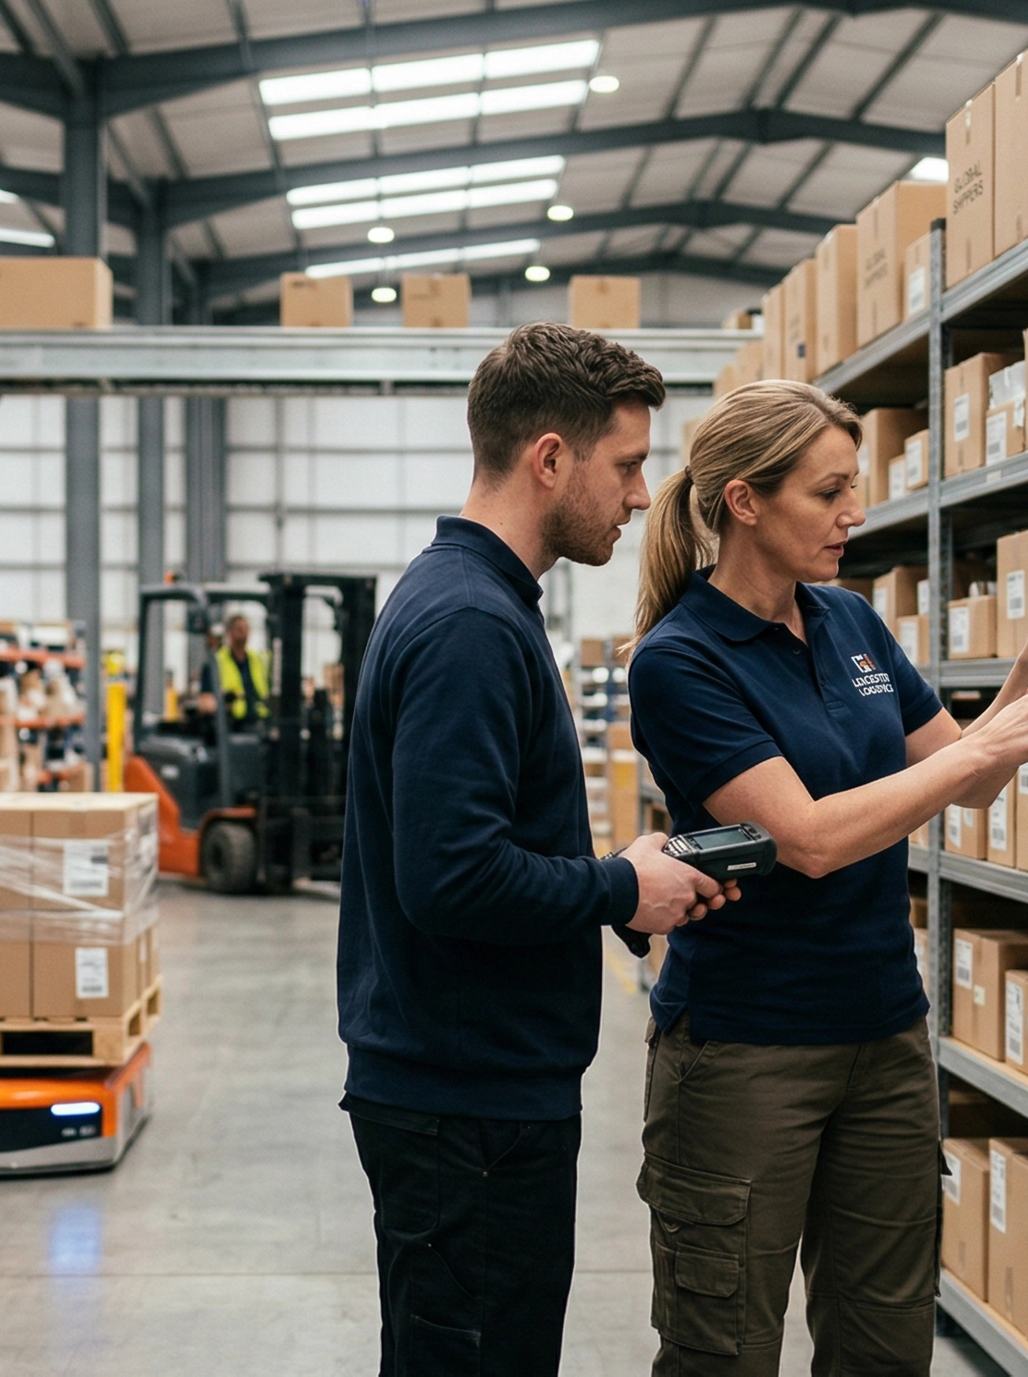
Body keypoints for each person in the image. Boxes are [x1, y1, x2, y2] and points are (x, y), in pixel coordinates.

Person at [622, 380, 1028, 1375]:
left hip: (884, 1036)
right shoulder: (680, 660)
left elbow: (965, 779)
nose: (854, 513)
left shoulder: (850, 622)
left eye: (854, 487)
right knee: (723, 1352)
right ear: (745, 502)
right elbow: (808, 839)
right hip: (747, 1048)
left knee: (885, 1346)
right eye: (828, 491)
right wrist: (979, 750)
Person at [337, 322, 738, 1377]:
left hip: (469, 1093)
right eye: (626, 465)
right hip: (464, 1110)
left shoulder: (478, 603)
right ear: (550, 458)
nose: (642, 495)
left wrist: (624, 878)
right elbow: (450, 876)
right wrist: (618, 888)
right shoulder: (468, 625)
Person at [195, 612, 269, 721]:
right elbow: (205, 700)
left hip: (258, 718)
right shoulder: (216, 662)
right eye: (239, 629)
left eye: (246, 629)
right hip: (230, 721)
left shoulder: (257, 659)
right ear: (229, 632)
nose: (243, 632)